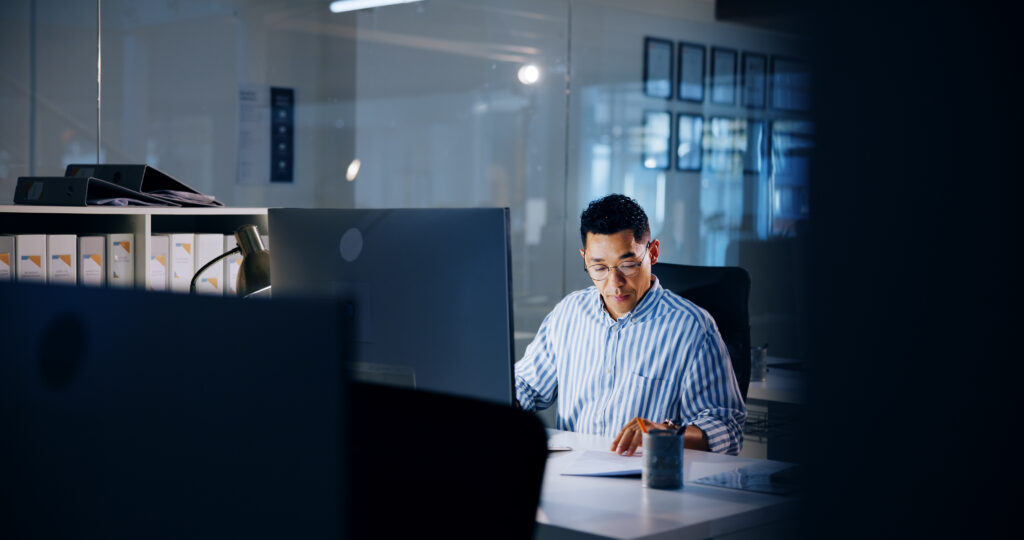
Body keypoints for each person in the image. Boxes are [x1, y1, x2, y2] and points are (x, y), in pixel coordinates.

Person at [514, 194, 746, 455]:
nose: (614, 283)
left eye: (627, 265)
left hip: (646, 481)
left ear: (653, 252)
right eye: (599, 267)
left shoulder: (692, 328)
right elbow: (526, 385)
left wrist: (664, 434)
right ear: (584, 258)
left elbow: (727, 428)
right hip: (570, 478)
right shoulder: (568, 314)